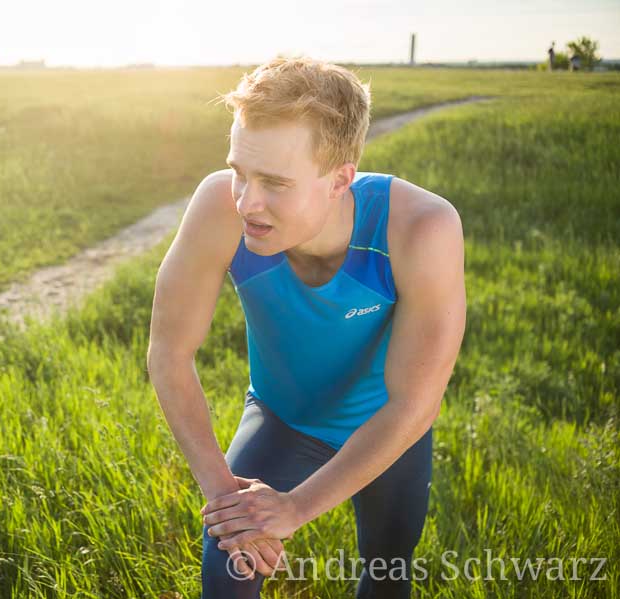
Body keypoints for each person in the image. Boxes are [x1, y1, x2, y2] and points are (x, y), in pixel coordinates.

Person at [147, 56, 466, 598]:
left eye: (274, 182)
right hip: (281, 417)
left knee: (388, 570)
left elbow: (415, 404)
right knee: (228, 563)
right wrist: (227, 500)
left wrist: (295, 508)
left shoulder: (422, 228)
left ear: (340, 180)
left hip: (388, 429)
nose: (248, 201)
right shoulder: (218, 207)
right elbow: (169, 353)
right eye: (239, 172)